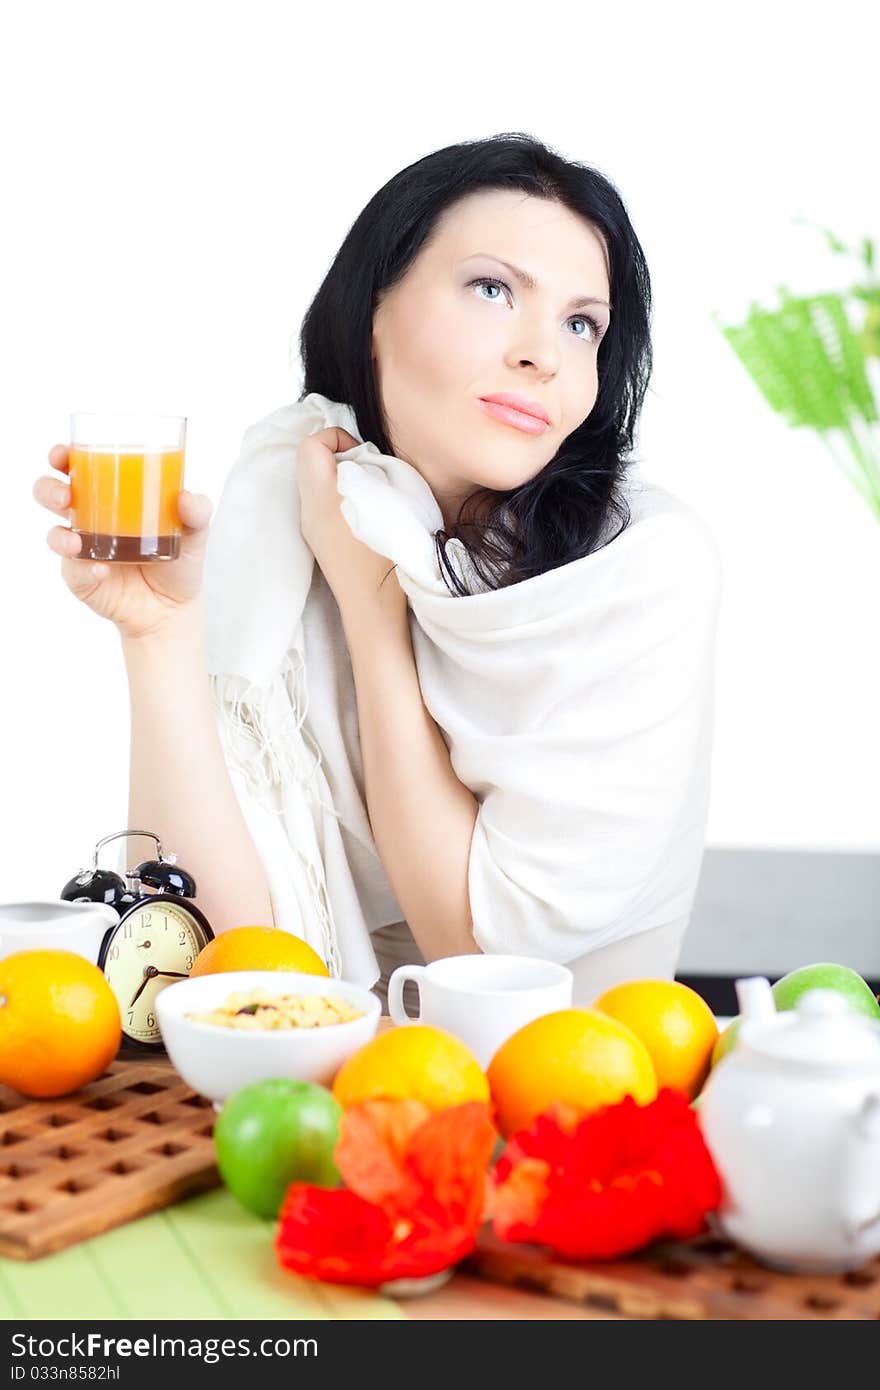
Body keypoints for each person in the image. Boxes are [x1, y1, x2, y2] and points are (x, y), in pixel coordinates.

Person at [34, 132, 722, 1010]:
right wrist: (160, 633)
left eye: (581, 322)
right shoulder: (310, 501)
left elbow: (480, 958)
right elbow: (212, 956)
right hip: (312, 1093)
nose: (542, 353)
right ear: (374, 308)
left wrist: (372, 610)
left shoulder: (635, 570)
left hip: (557, 1098)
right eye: (492, 288)